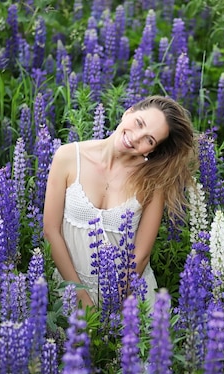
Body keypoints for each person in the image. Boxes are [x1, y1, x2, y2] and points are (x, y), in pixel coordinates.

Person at [43, 95, 197, 308]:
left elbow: (140, 256)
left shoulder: (152, 181)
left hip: (127, 300)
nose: (136, 138)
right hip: (70, 291)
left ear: (151, 150)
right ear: (129, 112)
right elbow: (51, 231)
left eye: (149, 140)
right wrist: (81, 300)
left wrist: (111, 309)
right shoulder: (68, 156)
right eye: (139, 123)